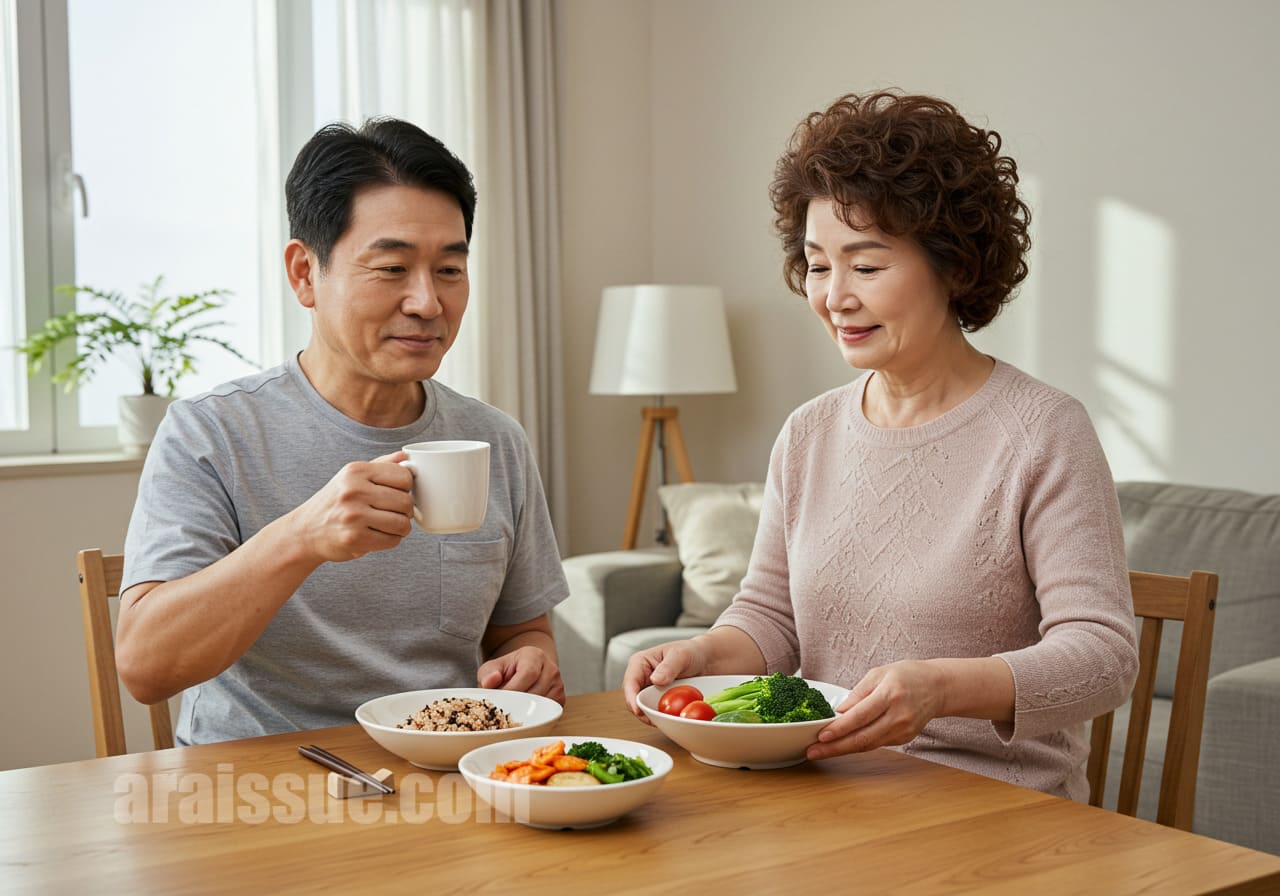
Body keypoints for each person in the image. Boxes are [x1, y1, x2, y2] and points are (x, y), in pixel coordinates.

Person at [622, 92, 1139, 800]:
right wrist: (702, 652)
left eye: (865, 267)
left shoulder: (1043, 431)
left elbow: (1105, 660)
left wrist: (942, 686)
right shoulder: (808, 433)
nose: (835, 296)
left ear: (954, 266)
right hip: (825, 793)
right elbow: (771, 616)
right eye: (817, 265)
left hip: (994, 811)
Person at [116, 118, 569, 745]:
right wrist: (301, 537)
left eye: (449, 270)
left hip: (449, 779)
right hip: (260, 794)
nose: (427, 303)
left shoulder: (494, 438)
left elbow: (522, 630)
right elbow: (145, 667)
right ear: (305, 273)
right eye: (390, 268)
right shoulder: (212, 433)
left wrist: (531, 658)